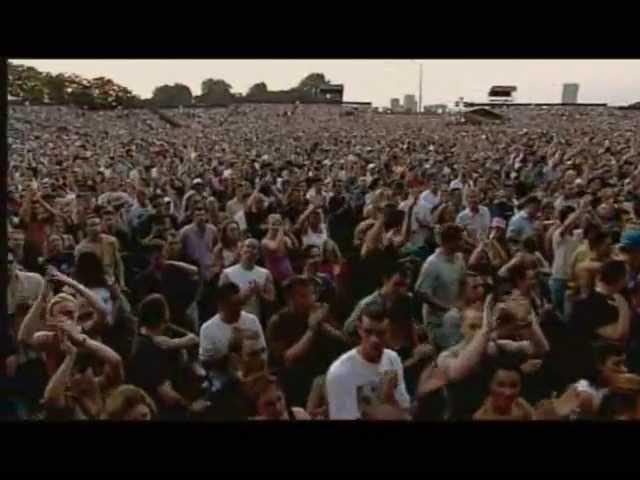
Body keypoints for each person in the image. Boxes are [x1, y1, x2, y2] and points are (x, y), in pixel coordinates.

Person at [267, 276, 347, 408]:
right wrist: (312, 329)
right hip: (294, 382)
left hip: (322, 375)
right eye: (304, 296)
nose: (311, 299)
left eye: (312, 294)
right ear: (290, 299)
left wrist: (323, 325)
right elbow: (288, 357)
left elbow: (343, 340)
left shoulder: (318, 313)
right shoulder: (278, 322)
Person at [126, 294, 209, 420]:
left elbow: (192, 338)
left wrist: (174, 344)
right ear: (164, 317)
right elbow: (167, 395)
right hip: (160, 412)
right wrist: (191, 407)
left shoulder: (144, 336)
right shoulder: (149, 351)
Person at [326, 302, 411, 420]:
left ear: (390, 331)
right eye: (368, 332)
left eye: (381, 333)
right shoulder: (340, 372)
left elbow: (405, 415)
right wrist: (384, 404)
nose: (374, 340)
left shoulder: (392, 359)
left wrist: (390, 398)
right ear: (359, 329)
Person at [199, 282, 267, 391]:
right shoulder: (207, 328)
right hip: (222, 381)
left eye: (240, 303)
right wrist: (229, 356)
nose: (238, 309)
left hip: (254, 377)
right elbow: (206, 363)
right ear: (221, 305)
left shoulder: (252, 321)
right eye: (233, 305)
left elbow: (263, 353)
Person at [415, 224, 466, 349]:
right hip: (437, 322)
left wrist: (461, 303)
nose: (463, 242)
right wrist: (447, 308)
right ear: (450, 242)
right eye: (460, 239)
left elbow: (463, 281)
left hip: (455, 315)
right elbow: (421, 293)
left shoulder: (459, 258)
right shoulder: (432, 264)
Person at [343, 262, 413, 342]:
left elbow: (409, 325)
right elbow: (348, 329)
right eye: (397, 284)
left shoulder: (406, 299)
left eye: (405, 285)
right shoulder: (368, 303)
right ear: (385, 280)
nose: (401, 290)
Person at [219, 238, 276, 322]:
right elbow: (221, 299)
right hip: (231, 319)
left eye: (254, 247)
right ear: (241, 250)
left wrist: (259, 292)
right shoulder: (227, 273)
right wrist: (242, 297)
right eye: (247, 246)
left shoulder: (265, 274)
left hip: (255, 319)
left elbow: (271, 299)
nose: (250, 250)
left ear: (258, 254)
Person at [75, 214, 126, 289]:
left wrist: (122, 283)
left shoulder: (111, 241)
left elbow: (119, 263)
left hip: (112, 283)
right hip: (93, 285)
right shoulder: (81, 248)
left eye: (97, 224)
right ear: (86, 228)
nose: (95, 228)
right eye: (92, 225)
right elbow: (79, 272)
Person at [179, 205, 218, 283]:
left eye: (203, 215)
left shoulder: (212, 230)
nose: (201, 218)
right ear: (193, 217)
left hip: (209, 268)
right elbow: (181, 249)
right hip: (193, 267)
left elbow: (216, 246)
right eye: (197, 215)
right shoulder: (185, 232)